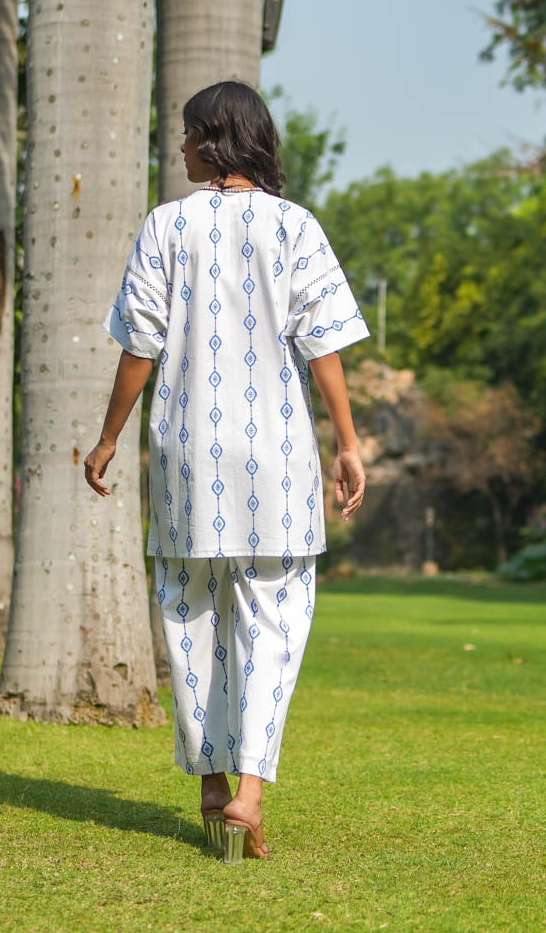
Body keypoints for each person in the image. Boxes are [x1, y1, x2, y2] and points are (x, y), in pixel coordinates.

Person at [83, 80, 368, 862]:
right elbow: (324, 345)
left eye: (184, 136)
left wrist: (110, 437)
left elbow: (139, 343)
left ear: (212, 139)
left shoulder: (166, 226)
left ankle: (210, 780)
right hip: (274, 455)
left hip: (187, 454)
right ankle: (247, 794)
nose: (177, 149)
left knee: (189, 616)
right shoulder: (296, 227)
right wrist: (347, 440)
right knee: (273, 622)